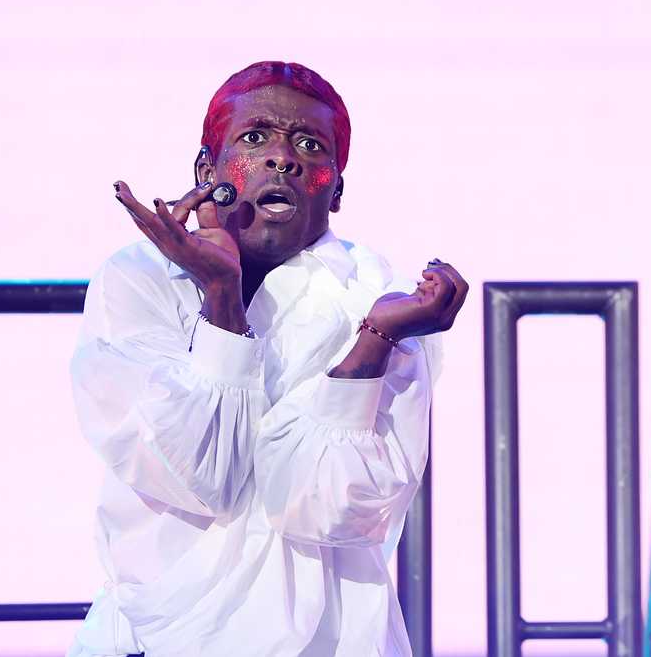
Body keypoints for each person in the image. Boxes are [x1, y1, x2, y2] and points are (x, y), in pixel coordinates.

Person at [66, 61, 468, 657]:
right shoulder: (139, 279)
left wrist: (374, 339)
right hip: (153, 637)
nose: (284, 159)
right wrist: (222, 299)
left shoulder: (378, 293)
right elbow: (200, 476)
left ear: (335, 188)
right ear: (207, 168)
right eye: (255, 139)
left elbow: (330, 507)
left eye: (310, 145)